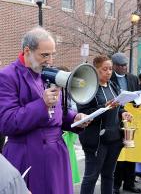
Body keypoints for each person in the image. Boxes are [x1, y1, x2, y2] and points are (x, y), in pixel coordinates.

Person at [0, 27, 88, 194]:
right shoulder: (7, 76)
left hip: (56, 156)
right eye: (45, 55)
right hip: (27, 154)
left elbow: (57, 114)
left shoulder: (45, 73)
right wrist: (42, 104)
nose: (50, 60)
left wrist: (75, 119)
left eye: (52, 54)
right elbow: (6, 122)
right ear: (27, 51)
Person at [77, 55, 133, 194]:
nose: (108, 72)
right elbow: (83, 114)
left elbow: (118, 106)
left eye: (110, 69)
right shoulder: (87, 88)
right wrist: (104, 106)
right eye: (104, 69)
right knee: (91, 177)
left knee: (109, 175)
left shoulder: (113, 85)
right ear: (95, 70)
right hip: (96, 140)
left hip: (114, 139)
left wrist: (123, 113)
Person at [110, 52, 141, 194]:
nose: (124, 68)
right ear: (114, 66)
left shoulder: (133, 78)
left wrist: (138, 102)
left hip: (131, 118)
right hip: (115, 119)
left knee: (131, 151)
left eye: (125, 65)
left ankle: (130, 183)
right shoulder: (109, 78)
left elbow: (139, 96)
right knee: (118, 154)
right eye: (121, 66)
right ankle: (115, 185)